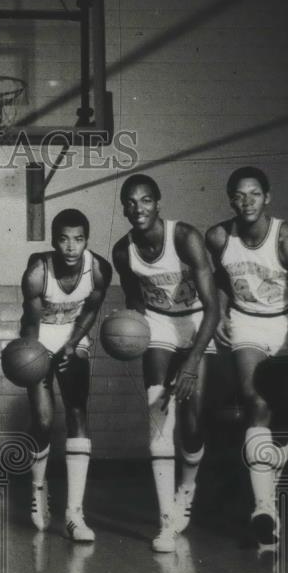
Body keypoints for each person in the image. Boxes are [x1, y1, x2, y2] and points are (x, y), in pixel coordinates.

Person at [111, 174, 219, 553]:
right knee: (158, 413)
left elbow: (213, 307)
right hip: (157, 325)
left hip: (195, 323)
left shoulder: (185, 237)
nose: (137, 208)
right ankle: (166, 522)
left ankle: (186, 488)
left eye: (144, 200)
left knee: (191, 424)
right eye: (130, 201)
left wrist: (190, 363)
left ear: (158, 203)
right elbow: (135, 302)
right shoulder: (123, 251)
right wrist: (126, 334)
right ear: (123, 206)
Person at [206, 166, 288, 549]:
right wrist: (218, 311)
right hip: (247, 323)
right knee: (255, 403)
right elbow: (219, 278)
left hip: (286, 326)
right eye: (239, 194)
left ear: (268, 197)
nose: (246, 201)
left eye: (254, 194)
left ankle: (269, 498)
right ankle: (263, 508)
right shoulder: (219, 237)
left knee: (281, 423)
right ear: (230, 199)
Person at [20, 209, 112, 539]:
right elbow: (30, 326)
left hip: (73, 337)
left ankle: (75, 513)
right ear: (54, 241)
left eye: (78, 239)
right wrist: (37, 355)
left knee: (76, 410)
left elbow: (91, 309)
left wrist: (72, 344)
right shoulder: (36, 273)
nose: (71, 247)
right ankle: (38, 490)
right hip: (38, 339)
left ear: (86, 240)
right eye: (63, 239)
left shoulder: (99, 268)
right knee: (44, 420)